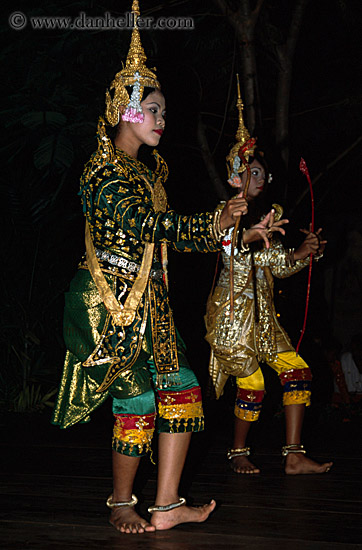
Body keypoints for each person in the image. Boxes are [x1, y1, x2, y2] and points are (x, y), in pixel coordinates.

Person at [51, 1, 283, 535]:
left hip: (149, 304)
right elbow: (150, 227)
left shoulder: (147, 173)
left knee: (182, 389)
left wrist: (230, 226)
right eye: (154, 109)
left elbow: (175, 237)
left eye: (161, 110)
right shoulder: (103, 173)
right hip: (107, 304)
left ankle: (167, 504)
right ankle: (120, 501)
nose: (162, 119)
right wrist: (209, 220)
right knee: (136, 400)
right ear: (127, 110)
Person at [205, 82, 333, 476]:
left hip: (264, 321)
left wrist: (302, 252)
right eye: (252, 171)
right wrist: (248, 234)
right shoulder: (227, 214)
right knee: (255, 385)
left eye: (262, 172)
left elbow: (279, 265)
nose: (261, 178)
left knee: (298, 371)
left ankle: (293, 454)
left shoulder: (268, 218)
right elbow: (226, 244)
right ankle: (237, 451)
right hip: (231, 320)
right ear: (234, 177)